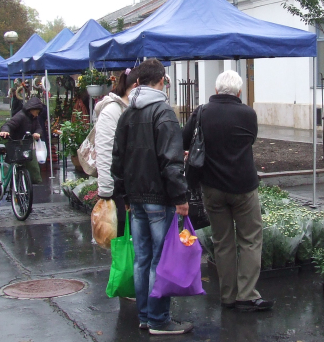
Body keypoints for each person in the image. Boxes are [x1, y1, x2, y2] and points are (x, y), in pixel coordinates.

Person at [111, 59, 193, 336]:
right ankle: (159, 320)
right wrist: (181, 197)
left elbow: (118, 159)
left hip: (136, 198)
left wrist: (123, 193)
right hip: (158, 198)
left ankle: (145, 316)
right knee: (160, 259)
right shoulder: (163, 112)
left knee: (142, 259)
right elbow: (171, 161)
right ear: (161, 80)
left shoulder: (127, 114)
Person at [182, 70, 273, 312]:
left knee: (222, 242)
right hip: (243, 187)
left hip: (212, 188)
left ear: (216, 90)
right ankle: (247, 294)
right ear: (239, 92)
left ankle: (228, 296)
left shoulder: (201, 112)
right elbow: (250, 140)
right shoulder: (248, 114)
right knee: (251, 239)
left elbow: (183, 140)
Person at [95, 68, 139, 236]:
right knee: (121, 236)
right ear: (136, 86)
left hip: (130, 189)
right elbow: (105, 151)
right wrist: (107, 192)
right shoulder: (112, 111)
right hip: (118, 190)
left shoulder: (131, 109)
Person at [0, 96, 44, 183]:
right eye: (37, 112)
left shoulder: (33, 118)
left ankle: (29, 182)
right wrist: (5, 131)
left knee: (32, 167)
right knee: (12, 167)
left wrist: (38, 133)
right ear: (31, 109)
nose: (37, 115)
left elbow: (39, 128)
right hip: (15, 144)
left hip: (26, 145)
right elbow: (8, 125)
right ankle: (6, 183)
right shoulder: (20, 116)